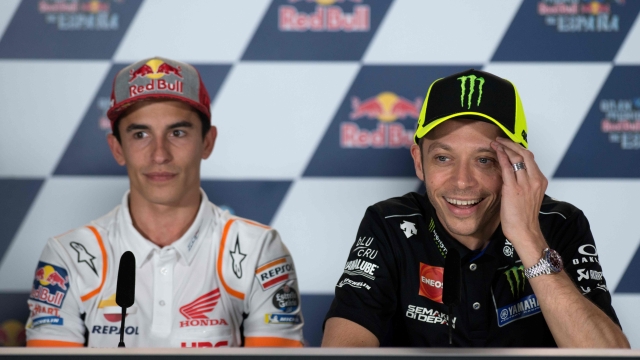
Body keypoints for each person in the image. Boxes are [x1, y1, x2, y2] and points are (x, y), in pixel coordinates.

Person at [322, 69, 629, 347]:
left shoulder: (558, 223)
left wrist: (528, 239)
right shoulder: (390, 224)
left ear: (518, 163)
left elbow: (610, 356)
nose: (462, 182)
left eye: (485, 160)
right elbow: (341, 351)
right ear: (419, 161)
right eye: (443, 157)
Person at [26, 57, 303, 348]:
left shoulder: (258, 249)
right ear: (117, 148)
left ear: (207, 142)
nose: (160, 154)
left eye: (178, 133)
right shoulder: (68, 256)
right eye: (141, 134)